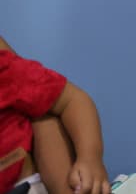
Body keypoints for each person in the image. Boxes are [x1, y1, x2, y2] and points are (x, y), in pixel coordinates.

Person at [0, 38, 108, 194]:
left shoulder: (7, 72)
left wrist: (90, 158)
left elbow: (72, 100)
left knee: (45, 119)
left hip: (28, 183)